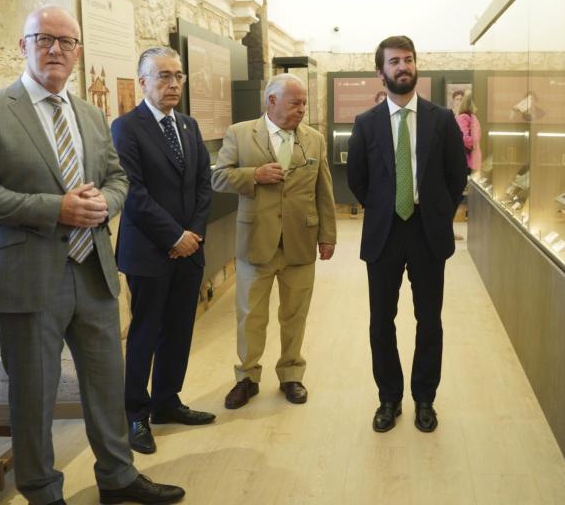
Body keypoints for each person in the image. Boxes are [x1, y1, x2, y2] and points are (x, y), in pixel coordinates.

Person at [0, 5, 184, 505]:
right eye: (44, 39)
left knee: (107, 383)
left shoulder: (90, 114)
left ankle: (117, 476)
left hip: (93, 270)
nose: (55, 49)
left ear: (78, 53)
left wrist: (105, 205)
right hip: (26, 275)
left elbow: (117, 178)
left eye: (66, 41)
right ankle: (41, 490)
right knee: (33, 394)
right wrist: (55, 208)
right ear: (24, 46)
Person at [347, 35, 466, 433]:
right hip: (384, 235)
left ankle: (425, 399)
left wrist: (435, 213)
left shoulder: (441, 120)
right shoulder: (365, 124)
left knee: (429, 320)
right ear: (380, 72)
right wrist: (385, 209)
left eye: (409, 60)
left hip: (428, 233)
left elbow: (456, 176)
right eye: (395, 61)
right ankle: (389, 398)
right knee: (382, 321)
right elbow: (358, 180)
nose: (403, 67)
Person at [111, 47, 214, 455]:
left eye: (178, 76)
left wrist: (193, 234)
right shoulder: (126, 128)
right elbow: (133, 193)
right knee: (146, 332)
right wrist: (174, 236)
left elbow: (204, 185)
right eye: (163, 76)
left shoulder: (188, 126)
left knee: (179, 329)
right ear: (142, 82)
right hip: (150, 252)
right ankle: (136, 412)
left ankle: (167, 402)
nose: (173, 84)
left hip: (189, 249)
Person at [211, 73, 336, 409]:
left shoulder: (314, 140)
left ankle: (291, 375)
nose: (302, 109)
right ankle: (247, 378)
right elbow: (218, 177)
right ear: (271, 101)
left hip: (301, 241)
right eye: (295, 103)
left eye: (304, 103)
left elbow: (324, 190)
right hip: (256, 242)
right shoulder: (240, 134)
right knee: (251, 314)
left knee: (295, 313)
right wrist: (255, 175)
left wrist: (328, 236)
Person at [455, 91, 481, 173]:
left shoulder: (472, 116)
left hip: (472, 160)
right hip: (467, 161)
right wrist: (474, 145)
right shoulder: (463, 117)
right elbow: (463, 137)